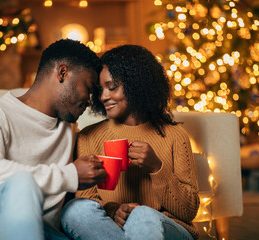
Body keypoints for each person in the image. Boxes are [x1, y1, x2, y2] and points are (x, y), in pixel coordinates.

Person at [0, 39, 107, 240]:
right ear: (62, 72)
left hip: (42, 232)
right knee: (21, 183)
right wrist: (69, 176)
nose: (89, 101)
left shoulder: (68, 127)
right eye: (89, 88)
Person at [61, 45, 200, 240]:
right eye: (100, 89)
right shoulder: (88, 137)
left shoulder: (175, 136)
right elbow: (88, 202)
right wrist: (114, 212)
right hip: (113, 230)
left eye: (112, 87)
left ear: (137, 84)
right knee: (75, 210)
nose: (103, 97)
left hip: (169, 229)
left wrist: (156, 168)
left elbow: (188, 211)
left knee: (142, 216)